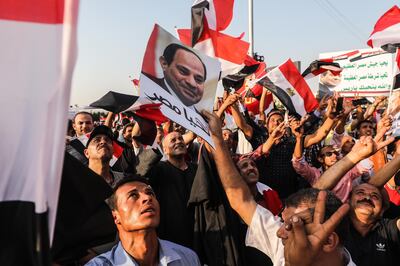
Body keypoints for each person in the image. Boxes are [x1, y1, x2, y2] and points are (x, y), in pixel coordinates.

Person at [201, 110, 353, 266]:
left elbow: (318, 140)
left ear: (328, 241)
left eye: (291, 225)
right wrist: (216, 137)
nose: (279, 232)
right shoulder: (284, 245)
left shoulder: (292, 142)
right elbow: (239, 197)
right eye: (283, 222)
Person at [85, 176, 201, 266]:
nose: (147, 198)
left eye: (150, 193)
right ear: (116, 217)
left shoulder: (188, 258)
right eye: (133, 195)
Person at [148, 131, 197, 248]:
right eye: (173, 140)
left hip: (199, 232)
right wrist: (155, 146)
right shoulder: (158, 170)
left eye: (181, 139)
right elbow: (141, 170)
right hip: (171, 238)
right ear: (164, 150)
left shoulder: (197, 169)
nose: (179, 141)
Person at [150, 43, 207, 107]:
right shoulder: (145, 88)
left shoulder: (203, 116)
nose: (192, 83)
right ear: (164, 63)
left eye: (198, 79)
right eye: (183, 71)